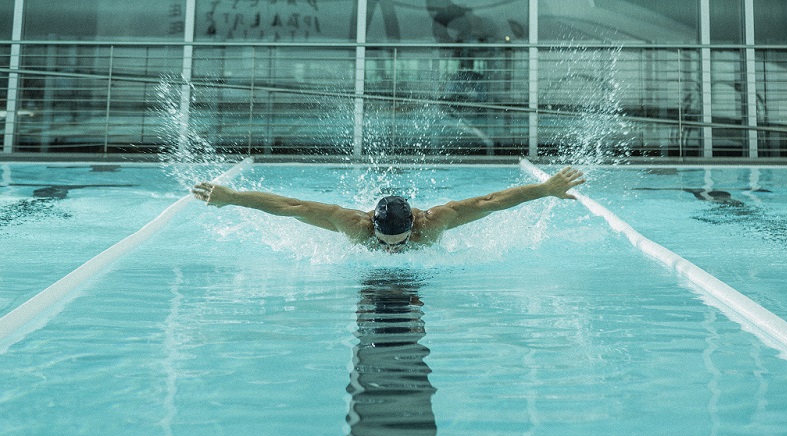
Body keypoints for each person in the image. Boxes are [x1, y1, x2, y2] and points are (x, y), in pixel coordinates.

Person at [192, 166, 585, 252]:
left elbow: (491, 202)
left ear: (415, 223)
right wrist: (232, 197)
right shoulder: (353, 225)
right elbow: (291, 206)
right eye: (386, 242)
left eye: (401, 240)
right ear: (372, 227)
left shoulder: (435, 222)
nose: (392, 250)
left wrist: (545, 189)